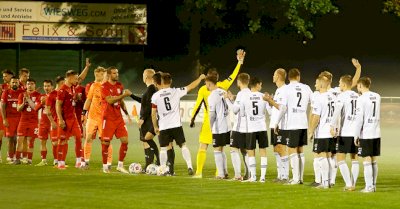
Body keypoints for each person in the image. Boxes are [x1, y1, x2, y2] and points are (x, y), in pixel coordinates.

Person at [190, 49, 245, 178]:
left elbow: (198, 104)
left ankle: (199, 172)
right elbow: (234, 75)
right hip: (224, 123)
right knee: (221, 148)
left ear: (209, 79)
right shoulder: (223, 86)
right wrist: (240, 62)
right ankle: (219, 172)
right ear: (217, 77)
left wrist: (192, 119)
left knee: (204, 146)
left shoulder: (204, 89)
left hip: (210, 122)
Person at [151, 73, 205, 175]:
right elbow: (191, 86)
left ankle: (162, 168)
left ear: (161, 82)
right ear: (171, 81)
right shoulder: (176, 91)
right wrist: (200, 78)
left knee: (164, 148)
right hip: (176, 125)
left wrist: (155, 126)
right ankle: (189, 166)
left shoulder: (156, 96)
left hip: (164, 126)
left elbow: (153, 114)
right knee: (183, 146)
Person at [273, 68, 312, 185]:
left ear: (288, 78)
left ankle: (295, 179)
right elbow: (312, 103)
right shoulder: (306, 88)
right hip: (303, 122)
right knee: (300, 150)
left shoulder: (287, 89)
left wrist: (276, 122)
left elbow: (283, 108)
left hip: (291, 123)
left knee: (292, 150)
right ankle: (300, 178)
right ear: (298, 77)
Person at [240, 77, 273, 182]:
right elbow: (271, 112)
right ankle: (262, 177)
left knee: (251, 152)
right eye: (261, 84)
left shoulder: (245, 97)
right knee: (263, 151)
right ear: (258, 84)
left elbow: (241, 113)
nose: (261, 86)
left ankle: (253, 177)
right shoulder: (263, 97)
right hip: (262, 127)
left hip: (251, 128)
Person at [100, 66, 132, 174]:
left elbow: (121, 101)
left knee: (125, 141)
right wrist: (123, 95)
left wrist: (126, 113)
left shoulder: (119, 86)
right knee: (106, 143)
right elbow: (109, 100)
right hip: (108, 118)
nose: (117, 75)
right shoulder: (104, 86)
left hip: (118, 118)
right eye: (114, 73)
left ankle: (120, 165)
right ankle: (105, 167)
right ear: (109, 75)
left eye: (117, 73)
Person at [330, 75, 359, 191]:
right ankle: (353, 184)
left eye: (340, 83)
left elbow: (336, 112)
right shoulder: (357, 95)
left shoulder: (342, 96)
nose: (339, 85)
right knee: (354, 159)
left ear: (344, 84)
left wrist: (332, 126)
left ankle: (348, 184)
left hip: (346, 131)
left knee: (340, 158)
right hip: (356, 132)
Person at [81, 66, 113, 169]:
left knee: (105, 140)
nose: (97, 76)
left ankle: (108, 163)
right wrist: (83, 112)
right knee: (88, 138)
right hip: (92, 117)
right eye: (96, 74)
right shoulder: (93, 86)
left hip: (104, 118)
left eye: (99, 74)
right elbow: (89, 100)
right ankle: (86, 162)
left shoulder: (109, 87)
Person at [308, 75, 336, 189]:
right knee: (329, 157)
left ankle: (324, 183)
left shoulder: (320, 97)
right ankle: (329, 181)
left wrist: (310, 131)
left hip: (323, 131)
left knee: (321, 156)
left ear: (321, 84)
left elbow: (316, 117)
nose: (315, 85)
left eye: (316, 82)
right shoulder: (334, 97)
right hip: (331, 131)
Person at [354, 77, 381, 193]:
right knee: (373, 159)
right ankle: (373, 185)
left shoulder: (361, 99)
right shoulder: (377, 96)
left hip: (366, 132)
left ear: (360, 85)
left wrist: (356, 135)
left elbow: (359, 119)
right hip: (376, 131)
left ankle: (369, 187)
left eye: (357, 86)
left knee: (366, 159)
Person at [56, 70, 83, 170]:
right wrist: (60, 120)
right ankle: (60, 163)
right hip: (65, 119)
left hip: (73, 118)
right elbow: (58, 105)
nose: (77, 80)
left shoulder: (72, 88)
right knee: (62, 140)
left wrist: (76, 98)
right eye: (75, 78)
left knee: (79, 137)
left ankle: (79, 161)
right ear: (70, 78)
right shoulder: (62, 90)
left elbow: (80, 78)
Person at [206, 75, 231, 179]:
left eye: (206, 84)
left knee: (217, 149)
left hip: (218, 126)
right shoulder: (222, 91)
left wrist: (210, 126)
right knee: (221, 149)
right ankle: (225, 172)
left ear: (209, 84)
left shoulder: (212, 96)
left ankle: (220, 174)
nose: (206, 86)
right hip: (227, 125)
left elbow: (212, 114)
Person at [227, 73, 251, 180]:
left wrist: (227, 99)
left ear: (239, 82)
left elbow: (235, 110)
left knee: (233, 149)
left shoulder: (241, 94)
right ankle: (249, 173)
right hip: (248, 127)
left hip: (239, 127)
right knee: (245, 151)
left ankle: (237, 175)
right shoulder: (250, 93)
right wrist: (233, 99)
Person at [137, 69, 160, 170]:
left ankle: (158, 160)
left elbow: (150, 105)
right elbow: (144, 101)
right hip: (148, 118)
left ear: (146, 77)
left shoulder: (151, 88)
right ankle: (148, 165)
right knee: (145, 141)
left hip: (149, 119)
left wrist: (142, 118)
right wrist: (131, 95)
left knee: (147, 139)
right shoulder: (151, 89)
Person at [269, 68, 289, 182]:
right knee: (276, 149)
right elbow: (276, 108)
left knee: (281, 148)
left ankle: (285, 176)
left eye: (274, 75)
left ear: (278, 76)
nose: (272, 77)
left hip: (280, 124)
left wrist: (270, 101)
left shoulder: (284, 90)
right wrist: (270, 102)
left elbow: (282, 108)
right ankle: (280, 175)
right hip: (274, 123)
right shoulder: (278, 90)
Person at [15, 78, 41, 165]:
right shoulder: (22, 95)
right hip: (23, 120)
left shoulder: (38, 95)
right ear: (26, 85)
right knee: (19, 140)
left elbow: (35, 107)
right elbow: (18, 109)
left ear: (35, 85)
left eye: (32, 84)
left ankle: (29, 160)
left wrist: (29, 100)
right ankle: (17, 159)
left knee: (31, 141)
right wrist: (23, 102)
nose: (30, 85)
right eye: (28, 84)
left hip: (33, 121)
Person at [1, 77, 24, 164]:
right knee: (11, 139)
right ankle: (10, 157)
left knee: (18, 139)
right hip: (10, 119)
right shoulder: (6, 92)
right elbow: (2, 106)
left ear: (19, 83)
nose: (14, 84)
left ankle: (17, 156)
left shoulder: (22, 92)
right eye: (13, 82)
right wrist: (4, 119)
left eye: (16, 82)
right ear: (10, 84)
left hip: (20, 118)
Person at [45, 76, 64, 166]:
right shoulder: (51, 95)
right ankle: (56, 160)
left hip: (61, 121)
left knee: (62, 141)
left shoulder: (62, 93)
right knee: (55, 142)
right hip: (55, 122)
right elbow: (47, 111)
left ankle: (60, 160)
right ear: (61, 83)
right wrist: (52, 122)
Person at [35, 80, 55, 166]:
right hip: (43, 123)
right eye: (45, 86)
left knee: (54, 142)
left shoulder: (55, 96)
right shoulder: (41, 97)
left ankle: (57, 160)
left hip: (53, 122)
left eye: (48, 86)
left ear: (52, 87)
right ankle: (43, 160)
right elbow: (35, 109)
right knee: (43, 142)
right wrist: (41, 103)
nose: (46, 88)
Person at [0, 69, 14, 163]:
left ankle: (13, 156)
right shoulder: (2, 87)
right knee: (0, 136)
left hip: (14, 115)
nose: (4, 78)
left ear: (11, 76)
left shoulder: (18, 86)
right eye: (3, 76)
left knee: (14, 137)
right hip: (3, 113)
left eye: (5, 76)